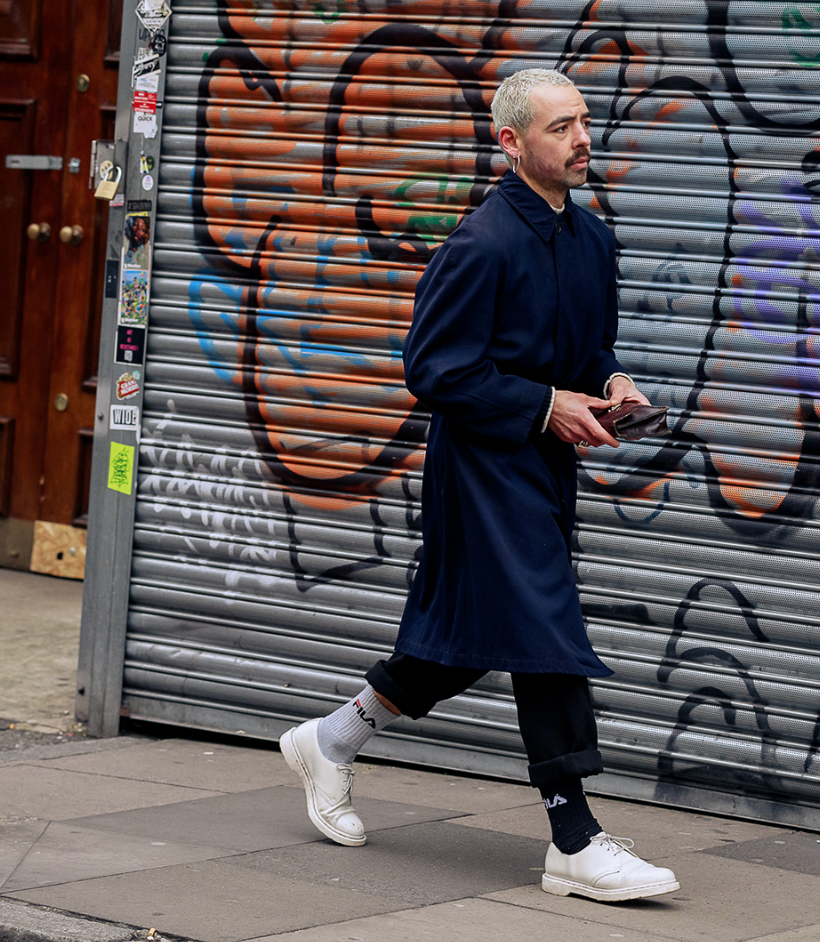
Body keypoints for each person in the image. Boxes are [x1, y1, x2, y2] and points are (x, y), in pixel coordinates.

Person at [279, 68, 680, 903]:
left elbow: (588, 351)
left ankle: (332, 739)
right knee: (544, 629)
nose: (581, 139)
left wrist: (613, 386)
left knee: (463, 639)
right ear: (511, 143)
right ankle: (573, 838)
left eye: (584, 122)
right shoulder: (482, 243)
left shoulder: (594, 240)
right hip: (480, 474)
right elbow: (432, 369)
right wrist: (542, 403)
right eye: (561, 127)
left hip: (541, 470)